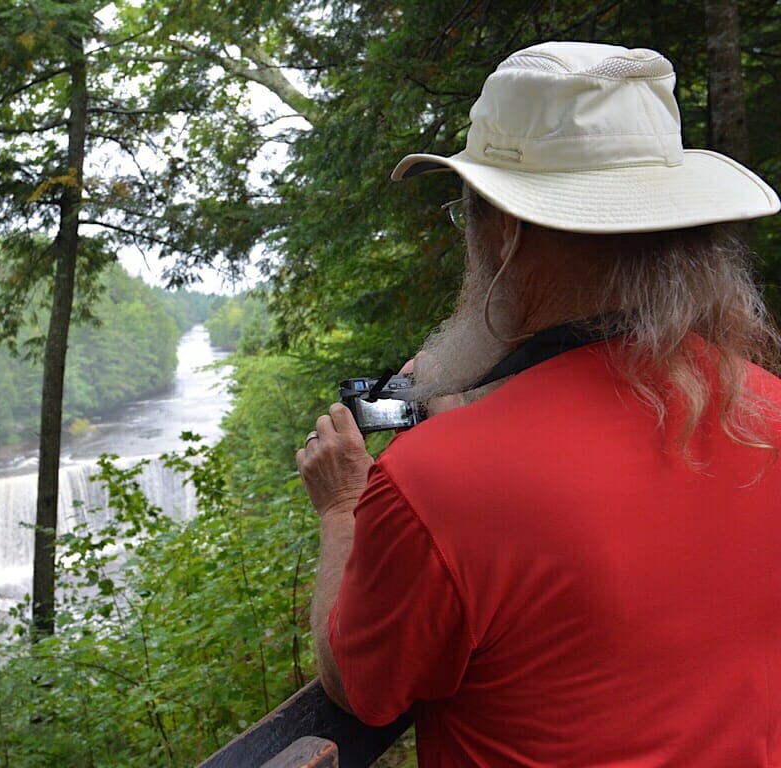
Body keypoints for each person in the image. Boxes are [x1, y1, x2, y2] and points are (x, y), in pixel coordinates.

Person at [296, 41, 781, 767]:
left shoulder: (437, 484)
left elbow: (358, 686)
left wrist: (343, 506)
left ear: (506, 231)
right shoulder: (765, 408)